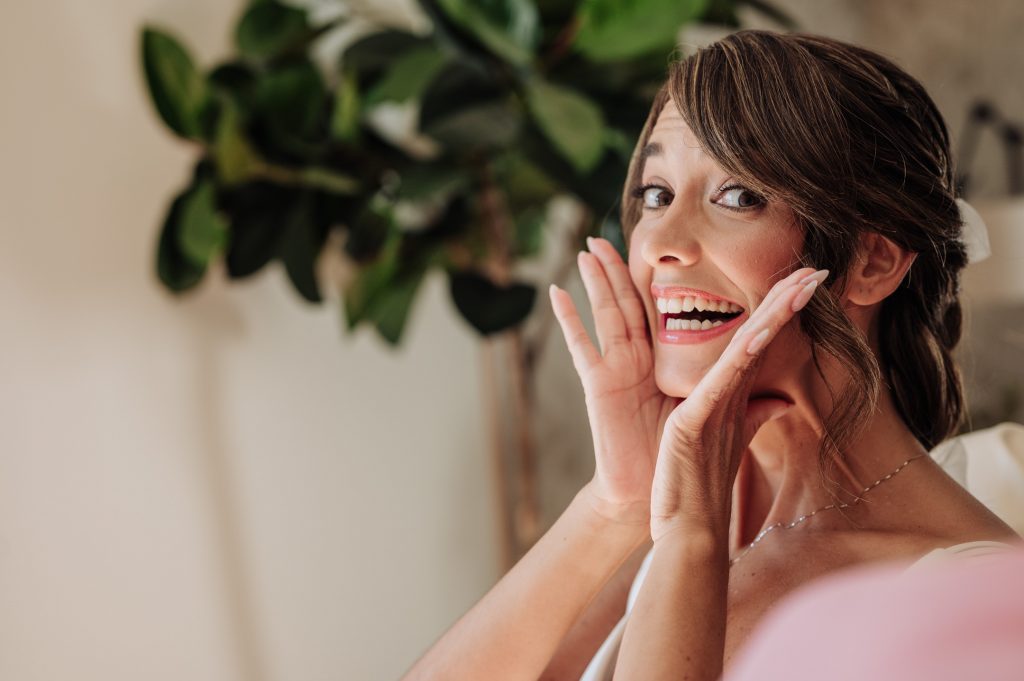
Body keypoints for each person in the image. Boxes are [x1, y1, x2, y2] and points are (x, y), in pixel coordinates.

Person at [401, 29, 1021, 681]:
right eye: (656, 194)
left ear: (872, 261)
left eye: (738, 196)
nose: (661, 241)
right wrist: (613, 504)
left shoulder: (959, 593)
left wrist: (690, 543)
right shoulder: (677, 518)